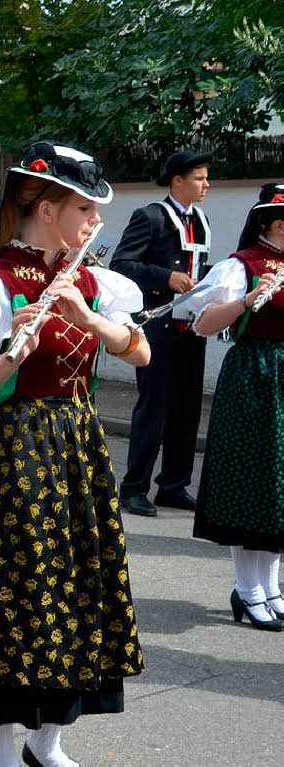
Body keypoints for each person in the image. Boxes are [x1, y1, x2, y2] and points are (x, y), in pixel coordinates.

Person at [0, 141, 148, 767]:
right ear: (48, 207)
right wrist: (11, 354)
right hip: (20, 443)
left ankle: (47, 742)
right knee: (15, 587)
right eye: (84, 208)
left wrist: (86, 317)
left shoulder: (92, 280)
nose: (92, 223)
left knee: (78, 584)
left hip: (79, 442)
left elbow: (139, 352)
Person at [183, 183, 284, 631]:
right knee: (252, 479)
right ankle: (248, 588)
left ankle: (273, 587)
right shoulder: (242, 266)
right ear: (274, 225)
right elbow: (202, 323)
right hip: (255, 374)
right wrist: (246, 301)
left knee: (279, 485)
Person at [110, 150, 213, 518]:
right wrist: (165, 277)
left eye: (205, 178)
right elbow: (121, 263)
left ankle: (173, 485)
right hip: (157, 326)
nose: (205, 185)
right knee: (153, 407)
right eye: (199, 178)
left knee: (186, 410)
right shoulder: (151, 216)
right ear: (177, 181)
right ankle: (134, 487)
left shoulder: (200, 220)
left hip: (192, 328)